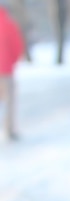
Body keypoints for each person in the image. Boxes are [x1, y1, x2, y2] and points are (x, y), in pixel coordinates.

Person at [0, 7, 24, 141]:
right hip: (5, 70)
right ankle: (9, 130)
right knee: (9, 101)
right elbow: (17, 46)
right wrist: (11, 61)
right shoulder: (9, 24)